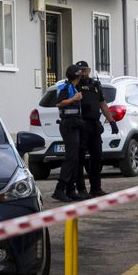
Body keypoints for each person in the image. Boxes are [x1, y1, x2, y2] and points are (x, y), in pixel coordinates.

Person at [74, 60, 118, 198]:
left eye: (85, 70)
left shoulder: (95, 85)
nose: (83, 72)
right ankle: (81, 190)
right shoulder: (74, 85)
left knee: (97, 157)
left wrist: (111, 121)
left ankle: (96, 188)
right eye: (80, 70)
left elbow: (103, 104)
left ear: (89, 70)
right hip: (81, 125)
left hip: (94, 125)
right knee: (79, 158)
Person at [52, 65, 85, 203]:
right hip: (68, 126)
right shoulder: (66, 87)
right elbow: (59, 103)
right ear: (77, 76)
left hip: (74, 125)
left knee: (75, 159)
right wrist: (74, 99)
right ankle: (59, 190)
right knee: (71, 158)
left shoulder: (72, 87)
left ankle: (70, 190)